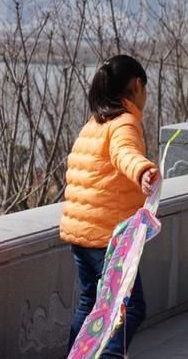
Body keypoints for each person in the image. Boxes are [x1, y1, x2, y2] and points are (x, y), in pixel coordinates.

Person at [59, 54, 159, 358]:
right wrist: (143, 171)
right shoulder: (125, 123)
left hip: (80, 234)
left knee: (91, 305)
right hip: (107, 239)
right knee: (128, 309)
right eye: (145, 88)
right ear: (137, 85)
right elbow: (125, 154)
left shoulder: (95, 124)